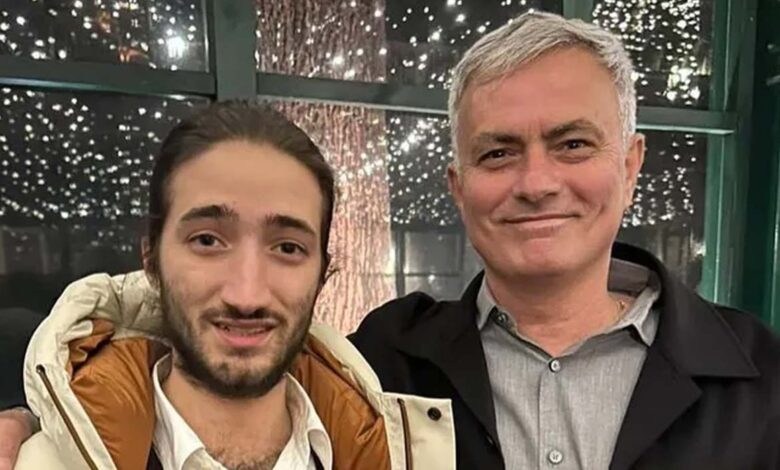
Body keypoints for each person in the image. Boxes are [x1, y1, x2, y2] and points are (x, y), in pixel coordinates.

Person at [349, 11, 780, 470]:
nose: (536, 184)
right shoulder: (378, 367)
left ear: (630, 167)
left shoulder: (762, 378)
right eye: (497, 153)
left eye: (573, 144)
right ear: (458, 188)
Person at [2, 101, 455, 470]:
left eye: (288, 247)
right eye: (207, 240)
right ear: (151, 261)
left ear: (322, 274)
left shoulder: (397, 454)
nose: (246, 295)